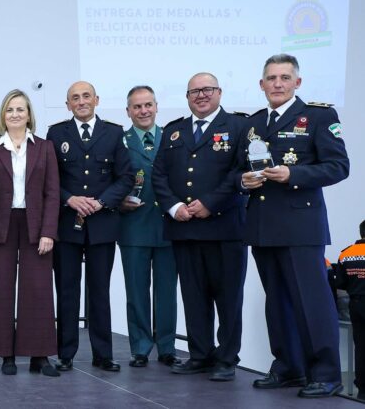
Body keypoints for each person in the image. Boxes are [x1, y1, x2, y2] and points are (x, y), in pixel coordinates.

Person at [237, 53, 349, 398]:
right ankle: (288, 367)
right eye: (271, 78)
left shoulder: (318, 116)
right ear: (261, 84)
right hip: (262, 224)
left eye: (284, 78)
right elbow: (243, 167)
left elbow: (338, 166)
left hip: (301, 226)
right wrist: (244, 181)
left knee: (312, 302)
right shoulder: (254, 123)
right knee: (277, 302)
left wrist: (293, 174)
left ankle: (326, 374)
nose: (278, 84)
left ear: (297, 82)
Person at [152, 73, 247, 382]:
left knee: (228, 298)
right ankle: (200, 354)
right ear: (187, 96)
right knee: (193, 297)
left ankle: (227, 358)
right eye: (195, 91)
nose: (201, 95)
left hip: (224, 228)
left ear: (219, 92)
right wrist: (173, 206)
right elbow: (159, 174)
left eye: (207, 89)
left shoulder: (239, 127)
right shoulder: (174, 130)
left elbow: (241, 172)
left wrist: (210, 203)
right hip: (185, 227)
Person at [0, 89, 59, 377]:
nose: (15, 114)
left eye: (20, 109)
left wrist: (48, 232)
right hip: (0, 225)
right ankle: (6, 355)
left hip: (35, 225)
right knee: (1, 289)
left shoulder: (45, 147)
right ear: (2, 116)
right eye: (10, 110)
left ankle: (39, 356)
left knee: (38, 290)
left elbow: (52, 193)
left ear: (29, 115)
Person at [46, 81, 132, 372]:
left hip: (102, 223)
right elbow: (49, 178)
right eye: (75, 98)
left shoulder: (114, 132)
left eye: (86, 96)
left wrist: (102, 201)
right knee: (67, 290)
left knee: (99, 291)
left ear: (97, 100)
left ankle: (103, 354)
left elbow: (125, 177)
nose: (81, 102)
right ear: (67, 104)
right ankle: (65, 353)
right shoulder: (57, 133)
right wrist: (69, 199)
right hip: (67, 224)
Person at [116, 86, 177, 369]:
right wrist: (117, 202)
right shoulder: (120, 141)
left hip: (168, 226)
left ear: (156, 106)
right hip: (133, 226)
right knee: (137, 292)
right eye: (137, 107)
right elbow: (111, 179)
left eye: (148, 105)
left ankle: (167, 347)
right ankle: (140, 347)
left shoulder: (173, 137)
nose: (143, 111)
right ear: (128, 111)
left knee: (167, 292)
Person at [329, 220, 365, 400]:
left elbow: (340, 283)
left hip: (356, 305)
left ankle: (363, 390)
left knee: (361, 347)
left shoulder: (346, 254)